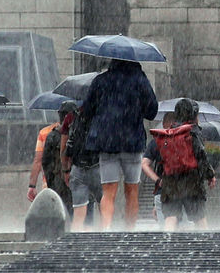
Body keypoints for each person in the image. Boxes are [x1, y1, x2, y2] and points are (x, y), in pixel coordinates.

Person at [82, 59, 158, 231]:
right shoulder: (139, 79)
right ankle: (129, 231)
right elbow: (152, 111)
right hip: (132, 143)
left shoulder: (101, 80)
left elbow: (87, 110)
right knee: (132, 190)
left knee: (108, 191)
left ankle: (106, 228)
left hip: (107, 143)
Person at [156, 99, 216, 232]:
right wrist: (210, 175)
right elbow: (201, 156)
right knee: (199, 217)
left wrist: (160, 179)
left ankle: (167, 242)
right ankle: (205, 244)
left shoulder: (169, 133)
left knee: (171, 217)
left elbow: (162, 159)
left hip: (171, 181)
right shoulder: (193, 132)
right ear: (194, 115)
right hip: (192, 182)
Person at [63, 104, 102, 232]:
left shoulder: (74, 119)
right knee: (105, 207)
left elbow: (67, 148)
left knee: (79, 211)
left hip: (78, 168)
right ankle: (108, 237)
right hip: (97, 167)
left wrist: (66, 170)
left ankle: (76, 243)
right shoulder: (101, 117)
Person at [41, 101, 77, 216]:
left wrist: (50, 181)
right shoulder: (79, 133)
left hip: (58, 178)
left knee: (61, 210)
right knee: (78, 209)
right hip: (76, 176)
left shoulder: (52, 136)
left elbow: (45, 162)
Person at [141, 112, 176, 227]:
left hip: (162, 191)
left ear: (164, 124)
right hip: (182, 192)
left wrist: (157, 180)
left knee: (165, 231)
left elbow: (144, 164)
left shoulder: (157, 141)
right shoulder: (185, 141)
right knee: (184, 232)